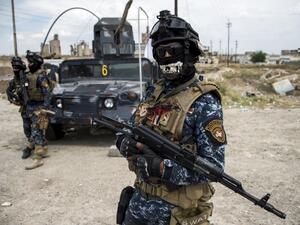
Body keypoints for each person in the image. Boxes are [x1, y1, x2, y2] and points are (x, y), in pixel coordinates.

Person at [116, 10, 226, 225]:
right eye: (160, 51)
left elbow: (213, 169)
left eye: (172, 50)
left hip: (176, 213)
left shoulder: (204, 102)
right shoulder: (154, 92)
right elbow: (129, 128)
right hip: (139, 203)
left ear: (189, 52)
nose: (166, 57)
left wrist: (162, 168)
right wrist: (123, 141)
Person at [23, 50, 52, 170]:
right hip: (30, 106)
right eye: (28, 62)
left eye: (31, 62)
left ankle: (37, 158)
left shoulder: (41, 76)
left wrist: (44, 109)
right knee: (35, 130)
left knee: (36, 131)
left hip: (39, 108)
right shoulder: (28, 75)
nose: (29, 64)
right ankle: (43, 150)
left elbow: (47, 94)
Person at [6, 56, 34, 159]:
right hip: (24, 108)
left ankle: (32, 146)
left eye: (17, 67)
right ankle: (31, 142)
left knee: (36, 127)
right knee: (26, 128)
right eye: (14, 68)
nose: (15, 70)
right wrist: (12, 98)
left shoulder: (29, 77)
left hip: (33, 106)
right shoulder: (14, 81)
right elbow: (8, 90)